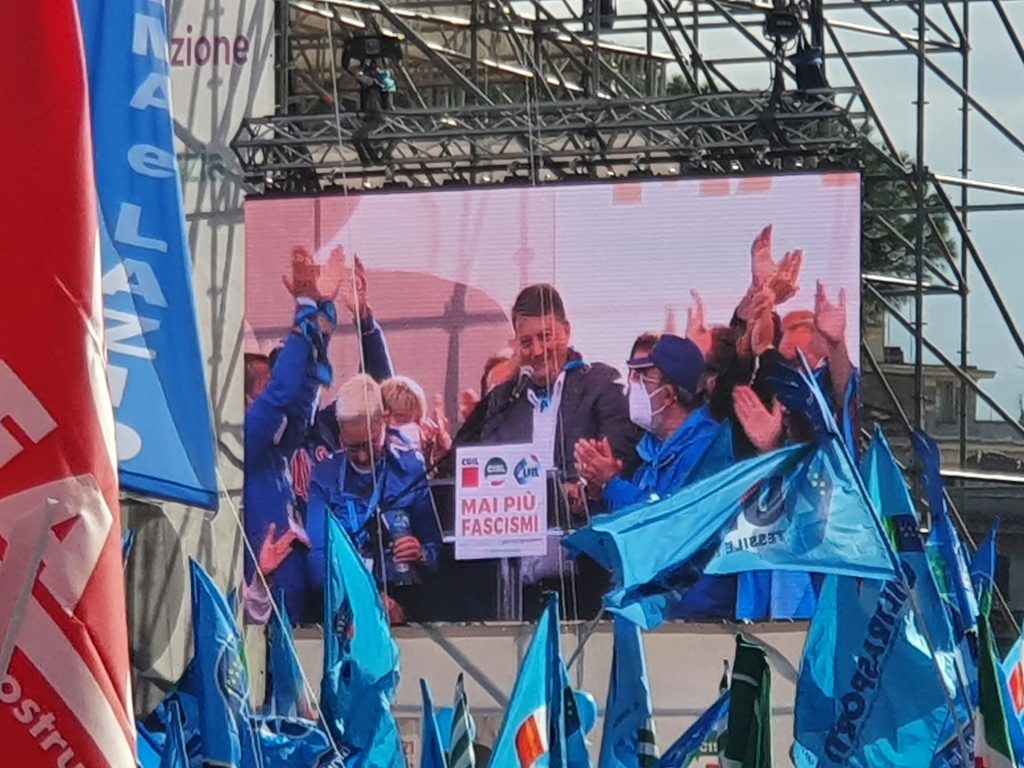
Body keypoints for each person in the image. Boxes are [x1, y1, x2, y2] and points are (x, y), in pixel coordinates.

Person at [470, 283, 637, 619]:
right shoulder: (506, 399)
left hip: (587, 578)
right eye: (526, 342)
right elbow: (479, 465)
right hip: (517, 588)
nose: (537, 350)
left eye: (546, 337)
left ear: (567, 331)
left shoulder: (600, 384)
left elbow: (619, 455)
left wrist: (586, 487)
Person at [243, 247, 339, 624]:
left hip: (293, 580)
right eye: (264, 380)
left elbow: (300, 408)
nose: (272, 383)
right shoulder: (246, 441)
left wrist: (321, 322)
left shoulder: (274, 452)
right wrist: (303, 309)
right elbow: (282, 394)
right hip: (267, 592)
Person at [305, 374, 442, 625]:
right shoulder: (324, 477)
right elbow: (317, 564)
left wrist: (421, 553)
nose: (362, 457)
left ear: (385, 421)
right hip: (346, 604)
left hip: (405, 603)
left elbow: (435, 549)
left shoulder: (411, 467)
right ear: (340, 437)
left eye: (370, 445)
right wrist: (366, 598)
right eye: (352, 447)